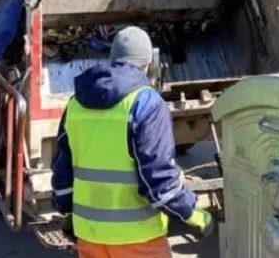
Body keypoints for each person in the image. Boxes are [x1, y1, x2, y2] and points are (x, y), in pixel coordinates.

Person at [51, 26, 214, 258]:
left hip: (90, 238)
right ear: (148, 64)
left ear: (112, 58)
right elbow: (158, 180)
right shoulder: (146, 103)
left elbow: (62, 171)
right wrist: (193, 214)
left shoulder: (75, 104)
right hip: (138, 241)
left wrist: (68, 210)